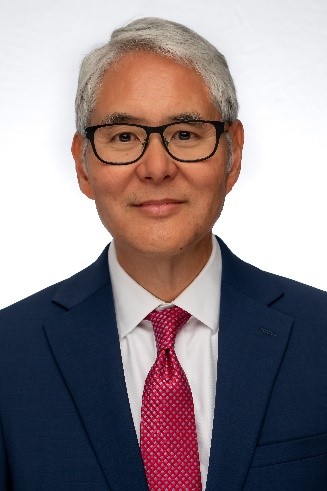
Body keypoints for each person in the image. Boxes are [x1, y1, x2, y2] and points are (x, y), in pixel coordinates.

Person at [0, 17, 326, 491]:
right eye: (124, 137)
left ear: (232, 154)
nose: (156, 168)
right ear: (83, 164)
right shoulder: (9, 355)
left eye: (186, 134)